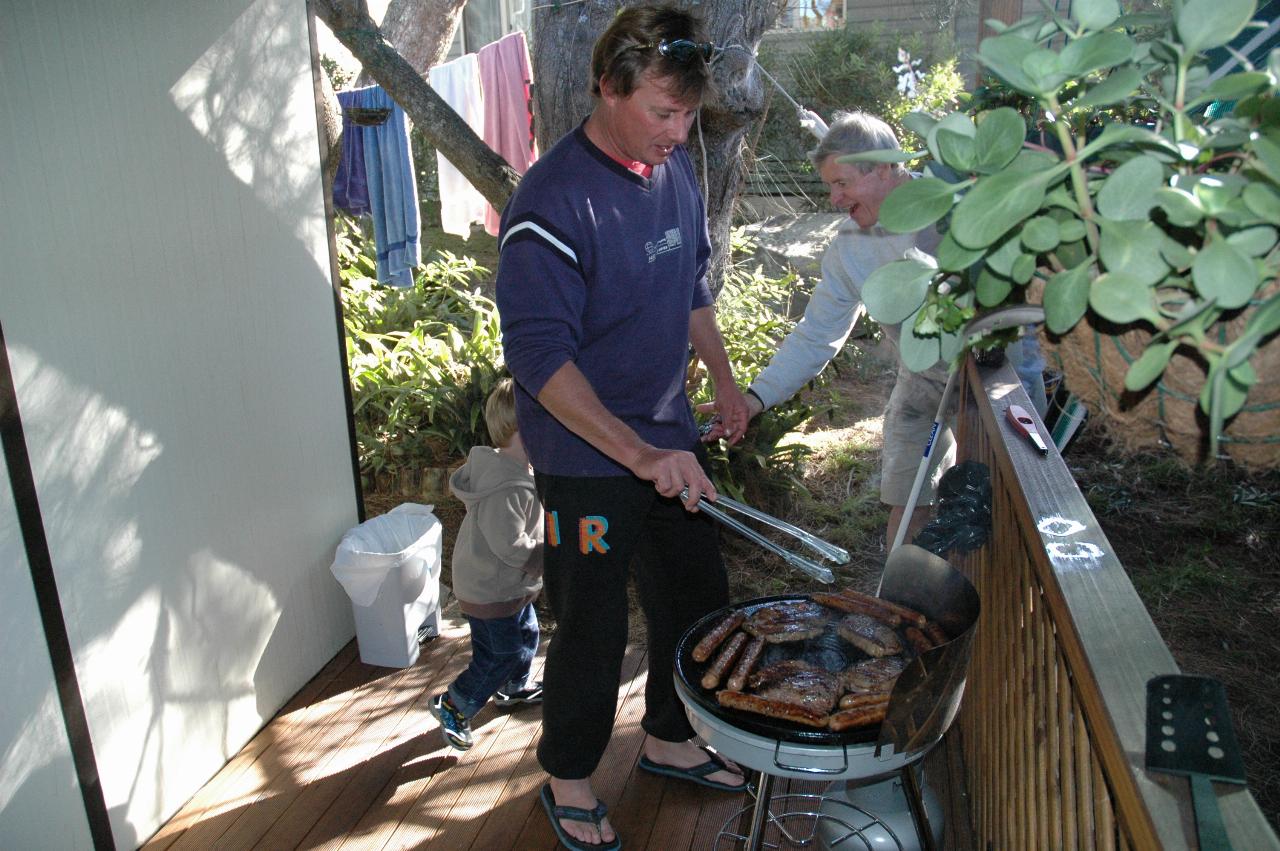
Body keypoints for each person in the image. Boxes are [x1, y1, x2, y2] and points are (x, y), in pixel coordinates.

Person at [494, 6, 750, 849]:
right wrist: (639, 454)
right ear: (607, 86)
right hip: (587, 458)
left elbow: (691, 284)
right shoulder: (552, 204)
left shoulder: (667, 169)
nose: (678, 133)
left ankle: (671, 739)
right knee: (593, 621)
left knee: (694, 597)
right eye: (662, 113)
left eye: (686, 115)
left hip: (667, 439)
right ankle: (567, 772)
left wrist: (721, 378)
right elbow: (539, 362)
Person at [725, 111, 1044, 548]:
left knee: (997, 508)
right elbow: (817, 333)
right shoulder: (849, 248)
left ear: (881, 168)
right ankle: (901, 601)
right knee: (907, 499)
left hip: (997, 382)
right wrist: (756, 397)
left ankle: (987, 603)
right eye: (830, 186)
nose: (835, 199)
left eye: (842, 184)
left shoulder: (955, 207)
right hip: (923, 384)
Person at [428, 378, 545, 751]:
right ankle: (454, 704)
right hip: (490, 587)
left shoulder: (516, 472)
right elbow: (510, 544)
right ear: (525, 429)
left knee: (526, 635)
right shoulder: (506, 486)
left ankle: (514, 687)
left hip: (509, 585)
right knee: (499, 653)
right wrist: (548, 558)